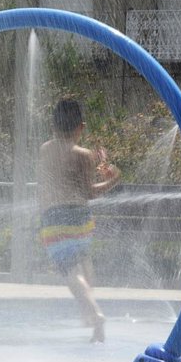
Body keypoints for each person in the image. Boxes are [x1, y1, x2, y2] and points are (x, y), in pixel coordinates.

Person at [37, 98, 121, 343]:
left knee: (69, 270)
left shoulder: (46, 149)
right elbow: (90, 192)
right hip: (81, 219)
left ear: (53, 126)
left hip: (55, 217)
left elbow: (45, 187)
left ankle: (94, 313)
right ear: (81, 127)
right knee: (84, 264)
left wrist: (41, 218)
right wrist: (114, 178)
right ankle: (92, 320)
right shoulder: (85, 155)